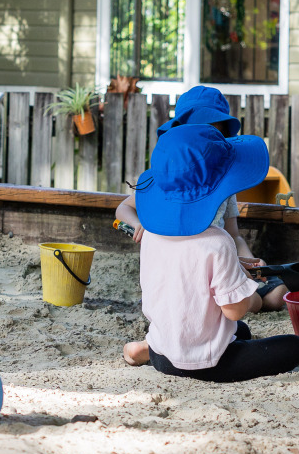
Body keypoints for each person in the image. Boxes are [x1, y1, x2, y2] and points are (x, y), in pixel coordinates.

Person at [118, 117, 299, 383]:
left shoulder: (151, 233)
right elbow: (234, 310)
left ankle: (146, 349)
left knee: (240, 331)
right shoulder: (218, 242)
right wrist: (245, 285)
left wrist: (236, 270)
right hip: (208, 364)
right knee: (293, 347)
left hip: (162, 352)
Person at [115, 85, 287, 312]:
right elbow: (123, 209)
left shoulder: (224, 184)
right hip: (179, 265)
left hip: (219, 262)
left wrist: (252, 263)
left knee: (278, 294)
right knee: (244, 302)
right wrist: (138, 225)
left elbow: (233, 236)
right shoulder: (168, 181)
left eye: (211, 138)